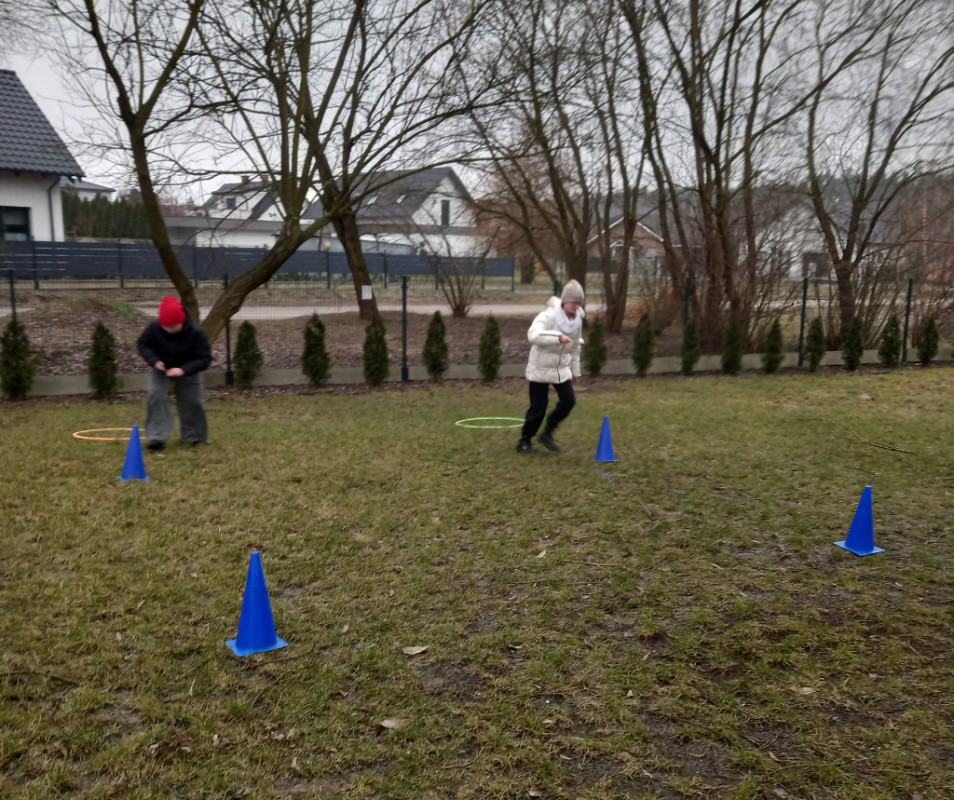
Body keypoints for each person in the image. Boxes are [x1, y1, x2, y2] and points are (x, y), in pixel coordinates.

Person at [517, 279, 585, 453]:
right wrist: (557, 338)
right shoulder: (547, 316)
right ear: (565, 300)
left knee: (569, 401)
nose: (576, 306)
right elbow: (533, 335)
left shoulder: (577, 321)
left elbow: (575, 347)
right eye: (573, 302)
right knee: (538, 408)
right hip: (540, 367)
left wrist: (575, 372)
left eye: (579, 303)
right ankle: (525, 440)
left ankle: (547, 433)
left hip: (561, 369)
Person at [136, 295, 212, 450]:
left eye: (173, 326)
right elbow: (143, 344)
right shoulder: (154, 328)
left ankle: (194, 437)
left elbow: (205, 358)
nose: (170, 330)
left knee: (192, 401)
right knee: (156, 396)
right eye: (166, 327)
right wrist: (154, 360)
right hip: (161, 369)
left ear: (182, 321)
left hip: (189, 369)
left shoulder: (196, 332)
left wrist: (183, 370)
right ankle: (156, 438)